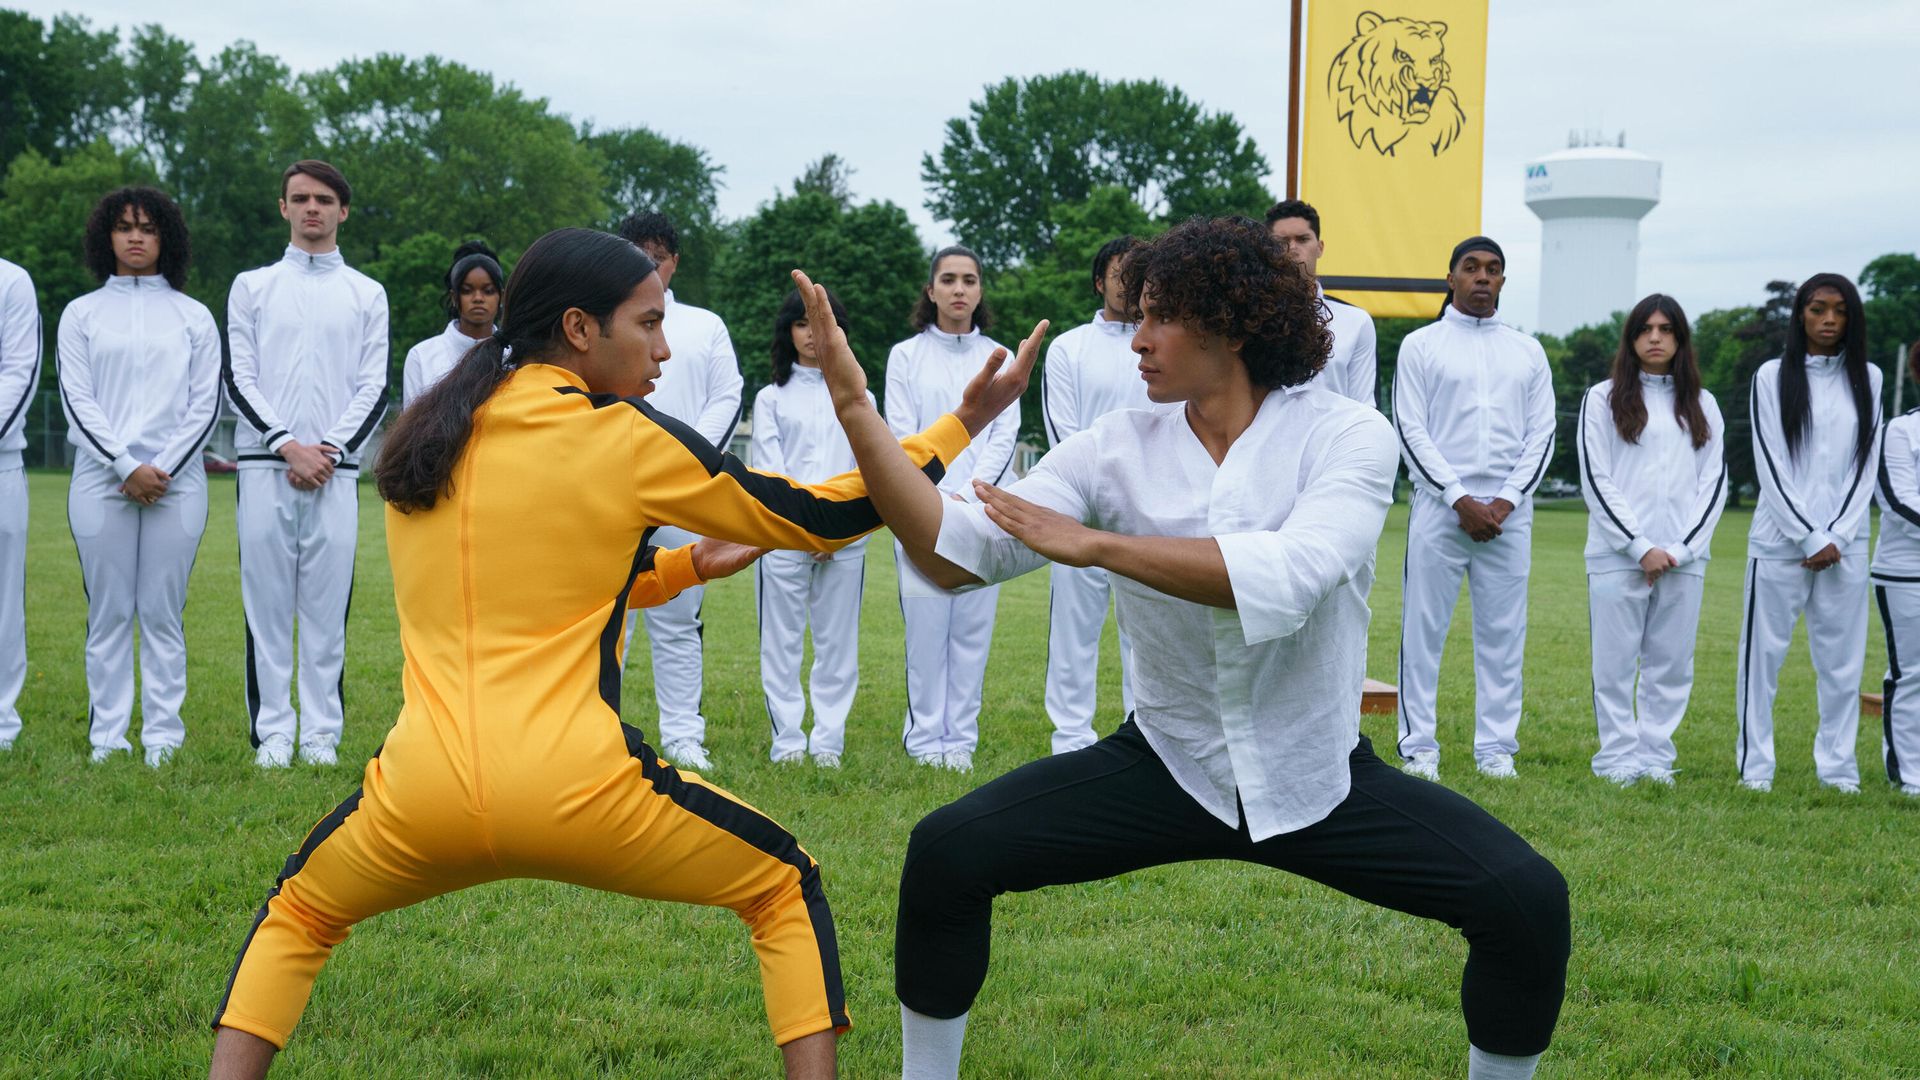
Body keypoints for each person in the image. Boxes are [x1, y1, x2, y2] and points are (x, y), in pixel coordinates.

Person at [206, 227, 1031, 1080]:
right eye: (649, 323)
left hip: (418, 795)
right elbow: (826, 515)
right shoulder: (620, 434)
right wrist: (962, 423)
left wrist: (681, 567)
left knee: (297, 915)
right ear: (578, 328)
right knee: (783, 884)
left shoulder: (430, 437)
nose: (664, 349)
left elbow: (532, 588)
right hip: (579, 789)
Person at [791, 218, 1568, 1080]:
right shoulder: (1113, 445)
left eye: (1161, 318)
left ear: (1232, 328)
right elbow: (952, 556)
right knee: (947, 853)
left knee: (1527, 901)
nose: (1138, 340)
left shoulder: (1348, 434)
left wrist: (1098, 545)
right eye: (1138, 316)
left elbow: (1291, 575)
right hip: (1167, 764)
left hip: (1316, 776)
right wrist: (856, 409)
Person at [223, 160, 390, 768]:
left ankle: (320, 734)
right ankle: (273, 733)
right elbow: (237, 376)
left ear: (342, 210)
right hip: (264, 467)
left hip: (334, 473)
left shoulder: (367, 293)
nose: (311, 208)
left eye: (323, 199)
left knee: (326, 608)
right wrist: (285, 444)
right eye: (300, 198)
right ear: (283, 208)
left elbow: (375, 385)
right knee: (266, 607)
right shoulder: (252, 286)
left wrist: (330, 450)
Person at [57, 186, 221, 767]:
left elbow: (205, 405)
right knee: (108, 611)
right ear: (106, 236)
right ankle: (108, 737)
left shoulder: (193, 315)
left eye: (148, 228)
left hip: (177, 483)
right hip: (101, 480)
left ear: (165, 238)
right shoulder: (81, 314)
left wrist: (161, 469)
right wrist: (126, 466)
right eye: (125, 227)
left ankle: (163, 737)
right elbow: (76, 400)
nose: (135, 237)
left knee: (160, 611)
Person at [1391, 236, 1555, 781]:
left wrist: (1505, 501)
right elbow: (1409, 429)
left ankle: (1496, 750)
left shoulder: (1527, 351)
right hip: (1441, 507)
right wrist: (1458, 498)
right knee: (1423, 631)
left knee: (1504, 633)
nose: (1483, 277)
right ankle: (1419, 748)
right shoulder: (1420, 345)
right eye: (1471, 267)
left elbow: (1542, 435)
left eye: (1493, 269)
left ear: (1503, 280)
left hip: (1510, 513)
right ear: (1451, 278)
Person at [1738, 273, 1881, 794]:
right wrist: (1807, 535)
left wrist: (1836, 535)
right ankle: (1756, 768)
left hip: (1846, 546)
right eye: (1818, 309)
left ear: (1851, 318)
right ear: (1800, 314)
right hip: (1778, 544)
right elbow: (1770, 459)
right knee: (1762, 661)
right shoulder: (1771, 376)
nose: (1828, 320)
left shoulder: (1870, 378)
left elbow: (1865, 465)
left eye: (1839, 311)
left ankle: (1838, 769)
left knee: (1843, 665)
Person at [1576, 294, 1726, 787]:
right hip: (1617, 556)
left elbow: (1713, 483)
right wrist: (1639, 546)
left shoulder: (1703, 404)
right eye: (1646, 329)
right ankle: (1617, 759)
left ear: (1680, 338)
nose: (1655, 338)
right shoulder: (1601, 398)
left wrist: (1679, 550)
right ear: (1632, 338)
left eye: (1665, 329)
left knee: (1671, 664)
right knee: (1614, 665)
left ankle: (1656, 758)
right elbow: (1596, 477)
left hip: (1684, 559)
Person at [615, 211, 743, 772]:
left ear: (675, 263)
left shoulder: (704, 325)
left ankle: (685, 735)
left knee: (678, 616)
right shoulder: (603, 321)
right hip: (610, 487)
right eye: (636, 255)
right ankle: (599, 724)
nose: (648, 266)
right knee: (606, 617)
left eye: (658, 257)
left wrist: (683, 462)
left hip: (681, 492)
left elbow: (727, 396)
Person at [885, 245, 1019, 771]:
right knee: (925, 632)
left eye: (969, 279)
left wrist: (970, 495)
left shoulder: (1001, 357)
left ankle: (959, 741)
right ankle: (923, 741)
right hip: (920, 510)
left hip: (980, 513)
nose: (959, 289)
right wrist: (932, 499)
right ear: (931, 290)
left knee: (970, 633)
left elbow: (1003, 433)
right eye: (948, 279)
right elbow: (902, 432)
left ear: (980, 290)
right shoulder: (905, 356)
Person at [1036, 235, 1147, 755]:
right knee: (1072, 633)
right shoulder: (1069, 347)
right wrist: (1095, 496)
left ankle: (1145, 734)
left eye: (1139, 274)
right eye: (1120, 273)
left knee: (1146, 634)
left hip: (1148, 515)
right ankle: (1070, 741)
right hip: (1080, 515)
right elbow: (1064, 432)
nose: (1129, 284)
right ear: (1100, 281)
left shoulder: (1166, 343)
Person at [751, 288, 870, 768]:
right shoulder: (771, 398)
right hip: (784, 536)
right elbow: (769, 469)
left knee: (837, 644)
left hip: (845, 539)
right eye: (801, 324)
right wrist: (806, 528)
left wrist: (836, 530)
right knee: (780, 642)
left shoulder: (860, 396)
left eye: (819, 324)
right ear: (788, 331)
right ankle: (787, 743)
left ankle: (827, 744)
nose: (810, 334)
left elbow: (868, 467)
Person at [1265, 198, 1379, 406]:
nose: (1292, 248)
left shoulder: (1356, 322)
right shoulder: (1252, 318)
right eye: (1282, 241)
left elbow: (1364, 406)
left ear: (1320, 247)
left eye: (1302, 239)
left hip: (1340, 427)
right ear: (1267, 249)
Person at [1871, 341, 1920, 798]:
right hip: (1907, 573)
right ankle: (1910, 775)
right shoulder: (1901, 431)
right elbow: (1898, 500)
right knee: (1912, 673)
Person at [0, 255, 39, 754]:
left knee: (3, 601)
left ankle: (2, 723)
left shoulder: (11, 281)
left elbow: (19, 373)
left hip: (1, 461)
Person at [400, 241, 502, 408]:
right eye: (467, 290)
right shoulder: (421, 356)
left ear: (501, 297)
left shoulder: (515, 356)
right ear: (454, 297)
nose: (478, 298)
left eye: (488, 291)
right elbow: (412, 421)